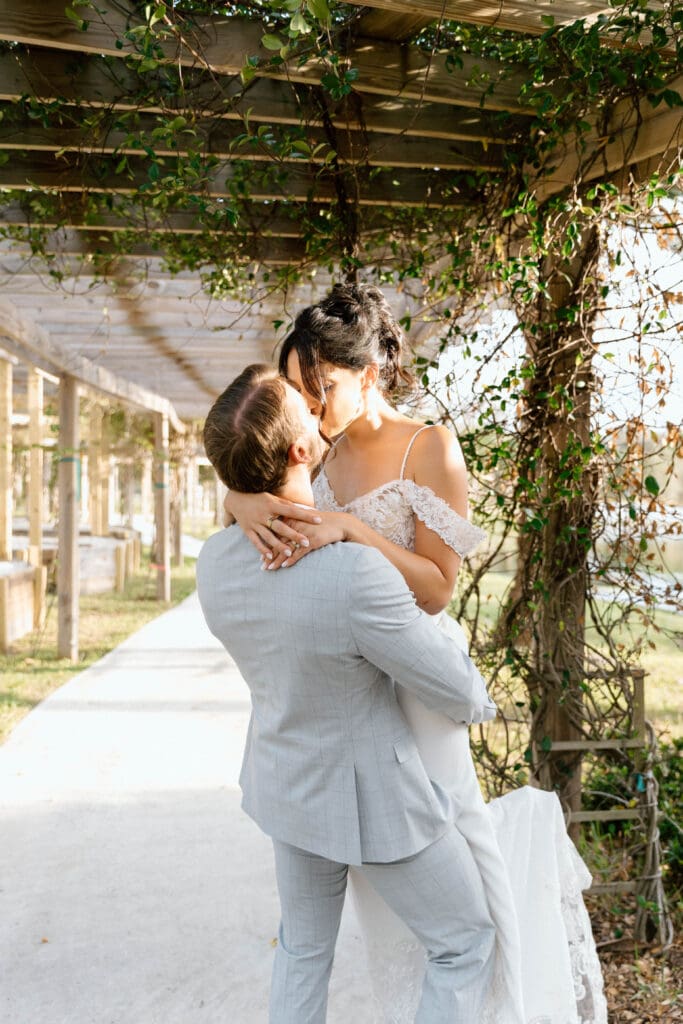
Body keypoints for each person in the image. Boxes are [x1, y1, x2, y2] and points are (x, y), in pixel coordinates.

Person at [224, 284, 608, 1024]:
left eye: (318, 386)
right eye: (298, 388)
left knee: (459, 847)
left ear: (367, 372)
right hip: (345, 684)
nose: (305, 402)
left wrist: (351, 530)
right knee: (361, 900)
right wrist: (240, 501)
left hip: (418, 678)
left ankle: (505, 1000)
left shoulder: (428, 448)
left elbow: (435, 588)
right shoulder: (316, 448)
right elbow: (249, 462)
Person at [196, 362, 499, 1024]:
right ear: (300, 450)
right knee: (463, 942)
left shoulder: (214, 565)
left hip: (285, 784)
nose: (313, 406)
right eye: (302, 408)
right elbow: (454, 689)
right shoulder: (351, 573)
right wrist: (479, 701)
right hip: (375, 802)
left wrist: (238, 496)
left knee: (302, 952)